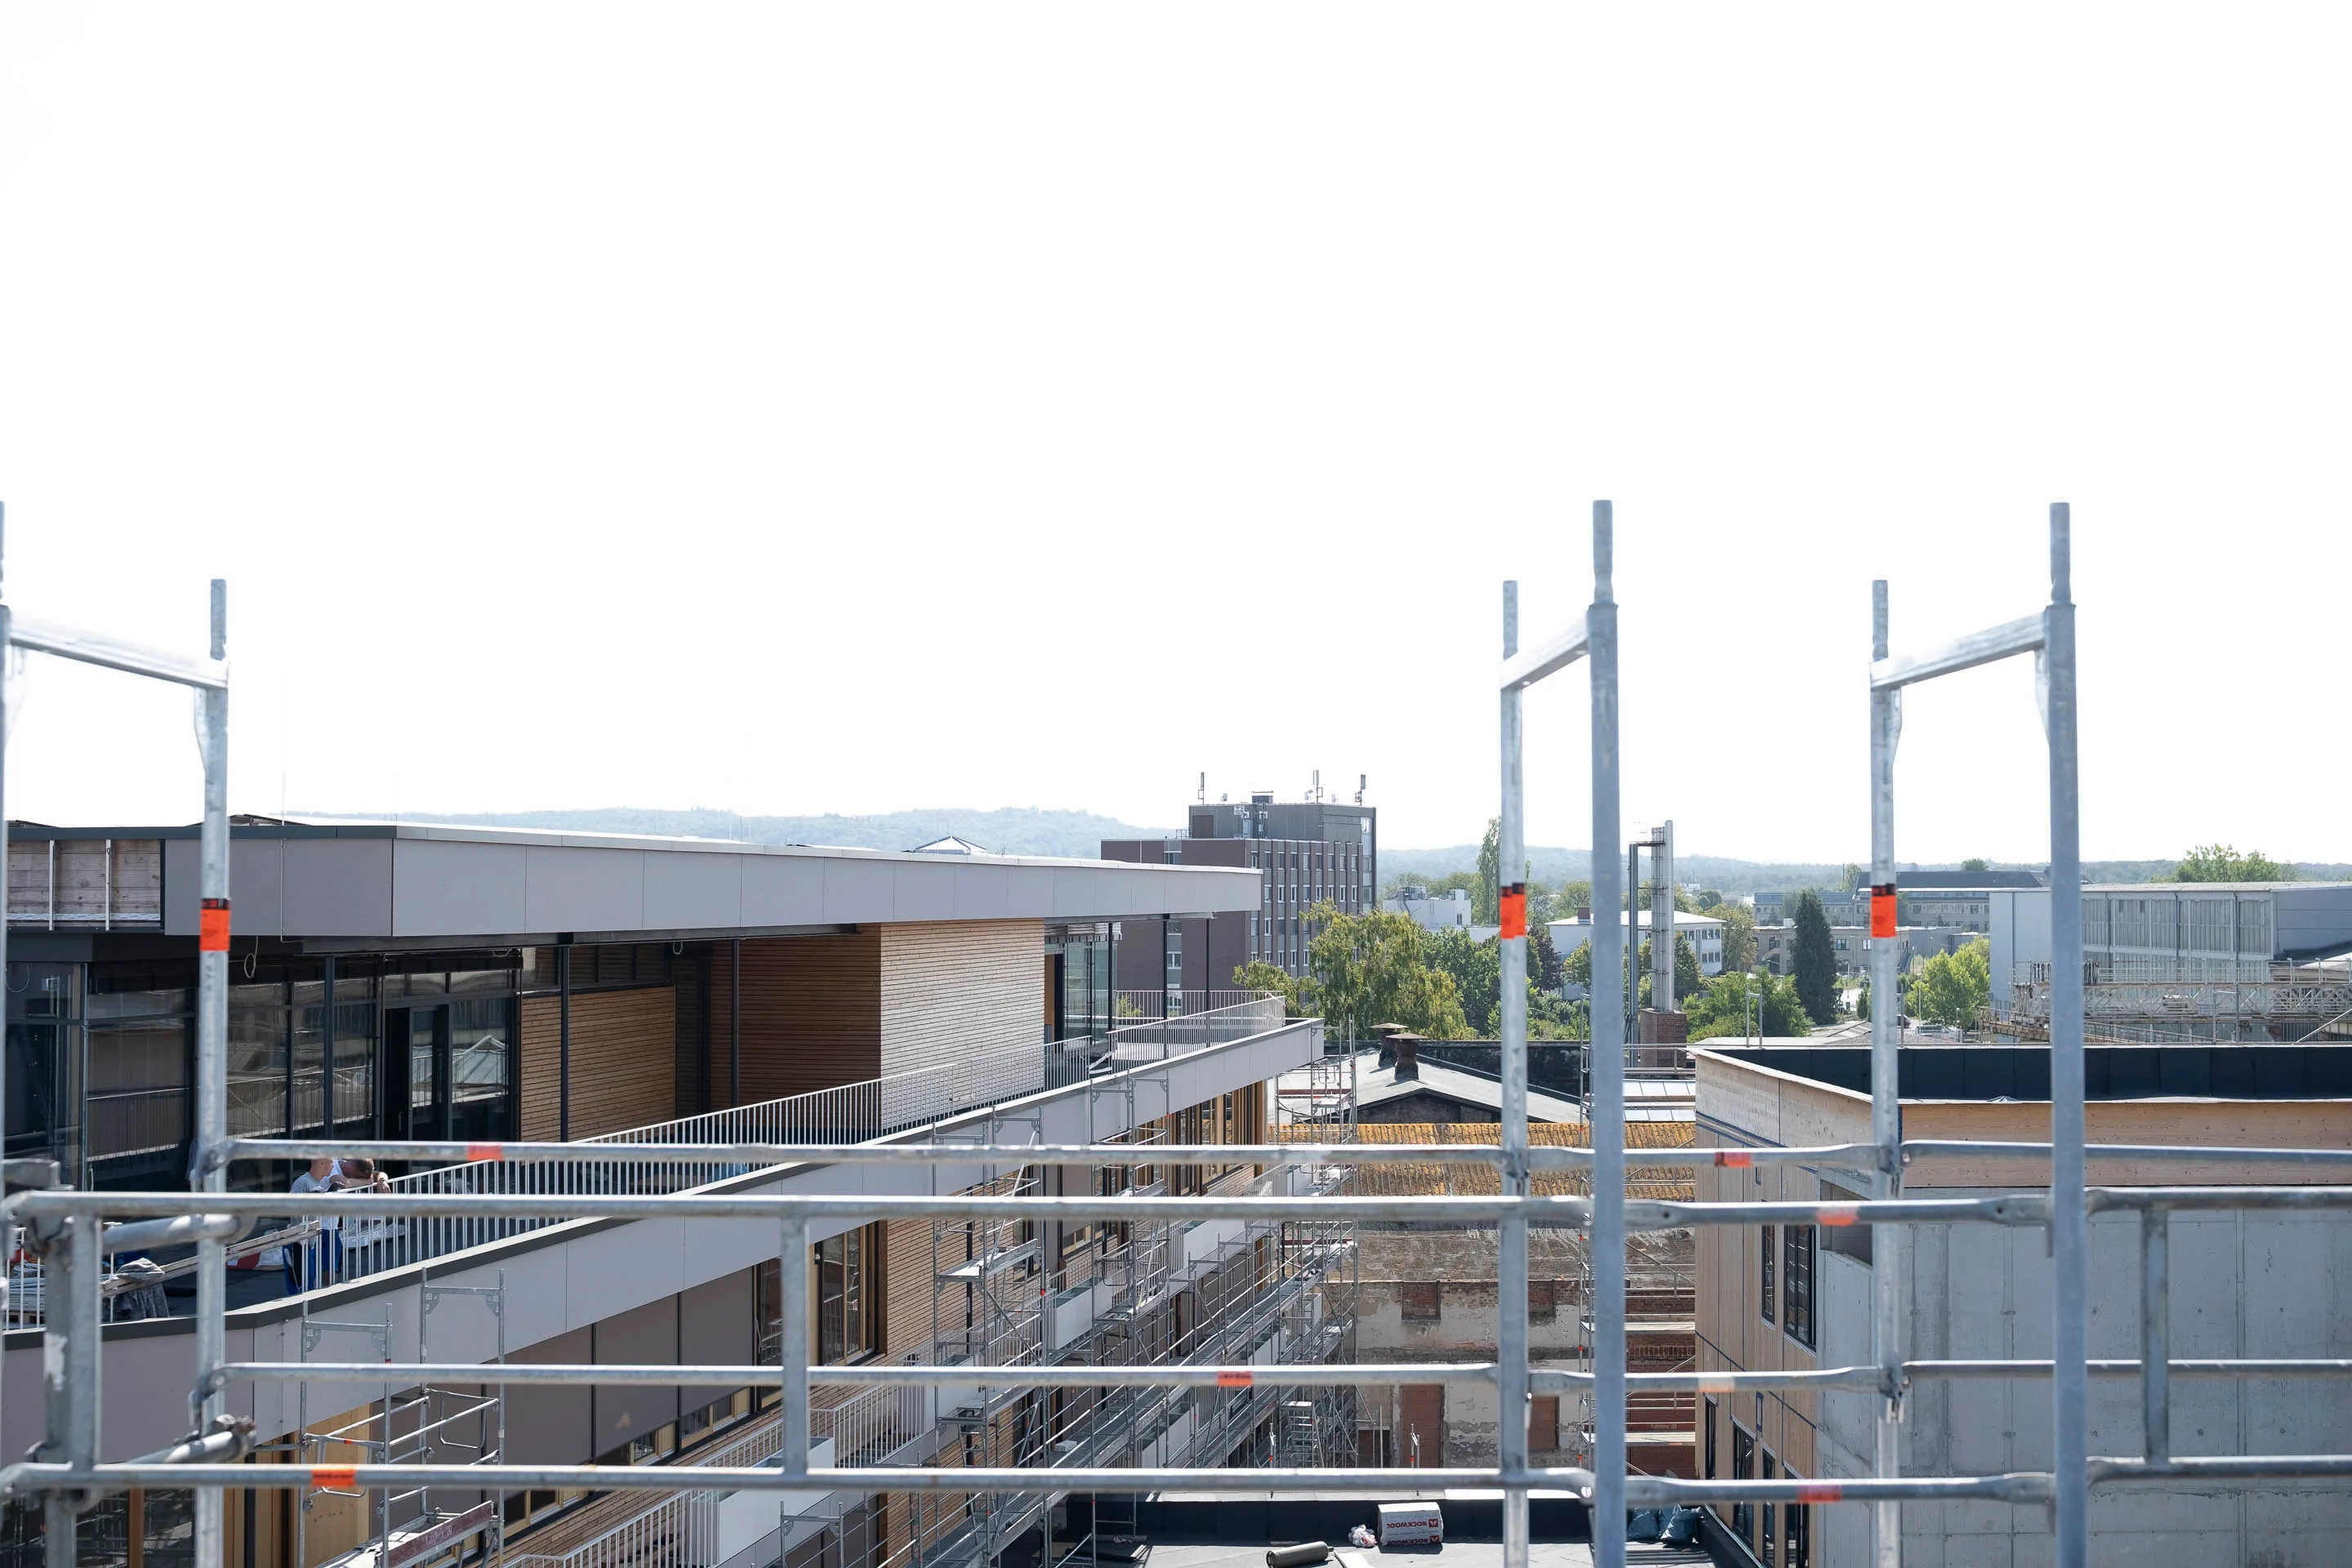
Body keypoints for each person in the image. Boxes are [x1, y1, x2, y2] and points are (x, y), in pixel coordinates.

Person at [286, 1156, 341, 1295]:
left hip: (309, 1241)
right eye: (331, 1162)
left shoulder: (318, 1183)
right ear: (322, 1163)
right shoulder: (303, 1182)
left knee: (308, 1283)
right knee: (301, 1286)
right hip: (298, 1242)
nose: (333, 1165)